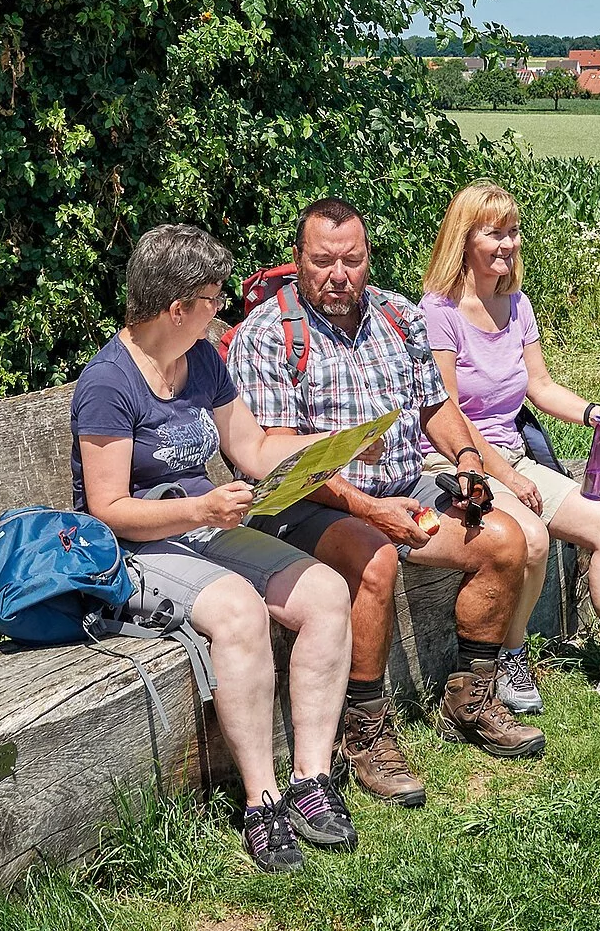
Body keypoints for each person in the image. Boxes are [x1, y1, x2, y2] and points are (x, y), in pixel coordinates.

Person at [231, 197, 544, 811]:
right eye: (322, 262)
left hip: (404, 489)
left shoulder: (398, 316)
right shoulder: (270, 336)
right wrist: (371, 510)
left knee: (505, 540)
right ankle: (366, 730)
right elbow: (272, 457)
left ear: (369, 257)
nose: (338, 275)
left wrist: (468, 463)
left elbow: (436, 407)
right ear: (298, 261)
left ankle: (470, 696)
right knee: (376, 560)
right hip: (304, 504)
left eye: (352, 259)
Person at [73, 224, 358, 873]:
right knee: (238, 612)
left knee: (324, 593)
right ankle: (262, 801)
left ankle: (310, 779)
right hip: (138, 548)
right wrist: (202, 506)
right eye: (212, 299)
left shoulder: (200, 358)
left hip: (206, 526)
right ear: (178, 308)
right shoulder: (107, 384)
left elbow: (252, 450)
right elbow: (108, 509)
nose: (220, 310)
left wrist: (327, 447)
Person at [418, 183, 600, 711]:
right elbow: (447, 414)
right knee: (531, 538)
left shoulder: (516, 304)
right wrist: (509, 476)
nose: (507, 244)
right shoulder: (439, 311)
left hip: (513, 458)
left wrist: (598, 413)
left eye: (513, 232)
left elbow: (540, 388)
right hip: (458, 463)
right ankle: (510, 657)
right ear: (463, 239)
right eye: (492, 233)